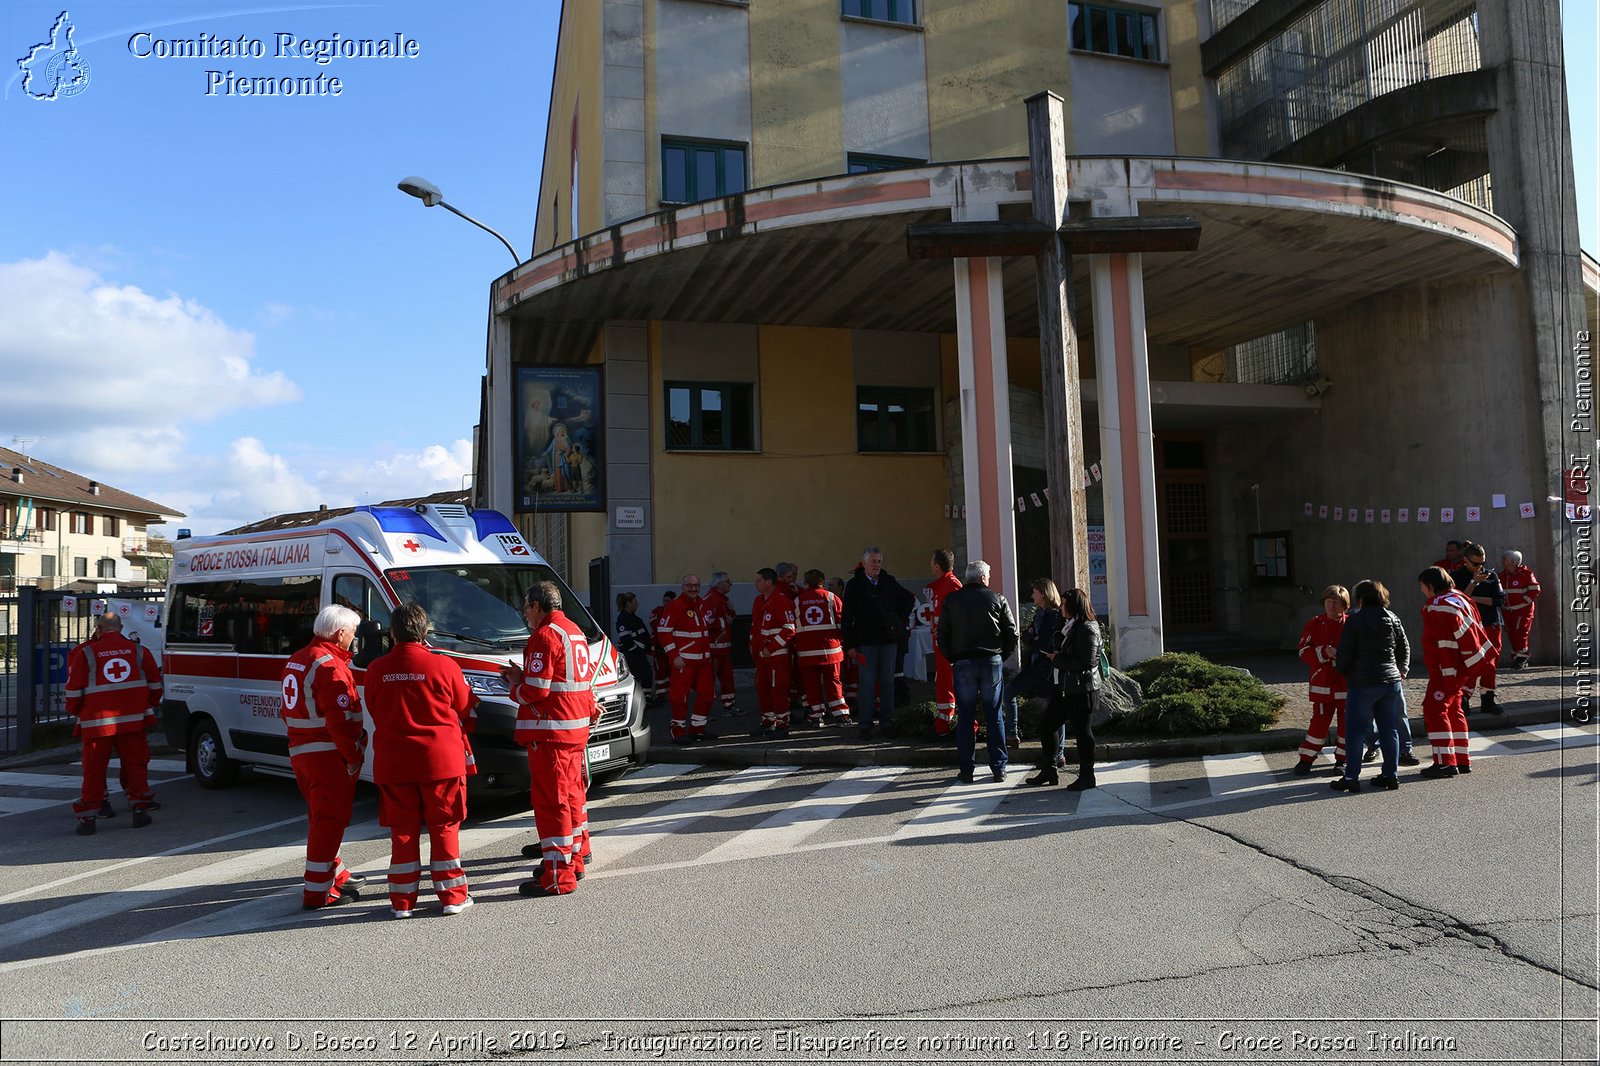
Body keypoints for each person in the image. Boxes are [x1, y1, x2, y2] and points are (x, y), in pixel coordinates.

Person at [364, 604, 476, 918]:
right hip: (439, 761)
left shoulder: (376, 669)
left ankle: (402, 902)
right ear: (425, 631)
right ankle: (452, 896)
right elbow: (465, 708)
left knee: (402, 832)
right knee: (444, 828)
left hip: (394, 762)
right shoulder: (444, 666)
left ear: (392, 633)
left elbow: (374, 709)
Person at [503, 581, 602, 896]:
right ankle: (576, 858)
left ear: (535, 605)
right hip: (573, 730)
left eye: (525, 609)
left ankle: (559, 875)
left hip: (550, 734)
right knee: (572, 799)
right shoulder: (573, 631)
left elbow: (536, 691)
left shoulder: (544, 637)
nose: (525, 616)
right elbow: (577, 682)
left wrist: (515, 686)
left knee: (552, 804)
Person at [277, 605, 366, 906]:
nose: (355, 639)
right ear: (341, 633)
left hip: (303, 752)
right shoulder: (329, 665)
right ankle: (318, 892)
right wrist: (353, 755)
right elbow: (339, 721)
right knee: (328, 821)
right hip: (327, 753)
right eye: (353, 632)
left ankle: (336, 873)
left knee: (322, 817)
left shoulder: (299, 658)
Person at [65, 612, 163, 836]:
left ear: (99, 629)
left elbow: (73, 690)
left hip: (97, 723)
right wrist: (147, 705)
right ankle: (139, 809)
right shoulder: (139, 650)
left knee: (93, 770)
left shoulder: (86, 652)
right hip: (132, 722)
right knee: (136, 766)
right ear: (120, 628)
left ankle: (89, 817)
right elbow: (155, 684)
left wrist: (76, 710)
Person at [937, 560, 1018, 783]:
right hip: (991, 660)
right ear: (983, 578)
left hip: (963, 662)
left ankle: (967, 769)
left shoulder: (952, 600)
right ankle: (999, 767)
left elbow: (942, 634)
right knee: (994, 715)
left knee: (965, 716)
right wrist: (1001, 656)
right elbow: (1012, 633)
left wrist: (952, 657)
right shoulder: (997, 598)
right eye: (989, 575)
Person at [1330, 580, 1410, 794]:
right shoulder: (1393, 618)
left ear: (1360, 599)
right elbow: (1404, 646)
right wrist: (1401, 669)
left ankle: (1351, 777)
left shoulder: (1354, 621)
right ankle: (1390, 775)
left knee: (1355, 731)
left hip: (1362, 682)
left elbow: (1345, 653)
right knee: (1389, 729)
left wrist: (1343, 670)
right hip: (1390, 682)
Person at [1418, 566, 1492, 778]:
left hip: (1446, 669)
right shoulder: (1460, 597)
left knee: (1435, 709)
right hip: (1463, 666)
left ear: (1430, 585)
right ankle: (1461, 759)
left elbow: (1442, 644)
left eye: (1422, 586)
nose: (1422, 590)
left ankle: (1444, 762)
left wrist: (1445, 672)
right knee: (1454, 708)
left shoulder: (1436, 606)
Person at [1026, 587, 1101, 790]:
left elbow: (1087, 662)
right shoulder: (1070, 625)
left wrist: (1057, 660)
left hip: (1082, 689)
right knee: (1047, 726)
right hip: (1065, 688)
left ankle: (1088, 775)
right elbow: (1058, 643)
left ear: (1074, 605)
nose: (1060, 606)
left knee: (1083, 733)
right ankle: (1049, 769)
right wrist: (1059, 629)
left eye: (1064, 603)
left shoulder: (1088, 628)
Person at [841, 547, 916, 740]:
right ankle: (865, 725)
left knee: (887, 683)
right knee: (866, 684)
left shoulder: (888, 582)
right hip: (865, 642)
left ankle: (886, 722)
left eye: (879, 562)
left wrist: (899, 619)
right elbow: (847, 616)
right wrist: (849, 644)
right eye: (873, 561)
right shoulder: (854, 585)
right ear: (864, 563)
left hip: (888, 641)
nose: (877, 565)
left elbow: (908, 599)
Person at [1002, 578, 1065, 754]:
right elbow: (1026, 635)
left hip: (1048, 668)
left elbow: (1045, 642)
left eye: (1035, 592)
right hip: (1034, 665)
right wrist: (1033, 637)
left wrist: (1035, 637)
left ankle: (1059, 753)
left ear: (1044, 594)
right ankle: (1012, 734)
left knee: (1054, 709)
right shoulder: (1039, 613)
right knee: (1009, 691)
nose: (1032, 596)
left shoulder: (1054, 615)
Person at [1292, 585, 1350, 774]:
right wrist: (1323, 652)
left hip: (1345, 683)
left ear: (1344, 606)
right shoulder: (1314, 624)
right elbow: (1303, 651)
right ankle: (1306, 759)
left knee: (1346, 724)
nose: (1331, 606)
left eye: (1335, 603)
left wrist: (1343, 655)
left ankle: (1342, 760)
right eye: (1328, 602)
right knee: (1319, 723)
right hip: (1323, 684)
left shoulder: (1351, 624)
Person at [658, 575, 715, 743]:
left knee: (707, 695)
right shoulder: (675, 605)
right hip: (684, 661)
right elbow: (663, 631)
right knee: (679, 697)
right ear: (683, 587)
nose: (694, 589)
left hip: (703, 661)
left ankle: (698, 729)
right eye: (690, 586)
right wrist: (674, 655)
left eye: (697, 585)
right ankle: (678, 730)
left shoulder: (702, 604)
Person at [1452, 542, 1505, 714]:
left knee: (1490, 663)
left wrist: (1475, 598)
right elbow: (1459, 600)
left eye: (1482, 563)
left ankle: (1487, 699)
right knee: (1471, 662)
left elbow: (1498, 600)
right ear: (1465, 561)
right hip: (1470, 626)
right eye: (1476, 563)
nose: (1480, 567)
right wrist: (1474, 583)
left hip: (1491, 624)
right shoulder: (1457, 576)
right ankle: (1464, 699)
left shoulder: (1491, 576)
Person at [793, 568, 850, 727]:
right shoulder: (832, 598)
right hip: (830, 650)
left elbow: (794, 626)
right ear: (822, 582)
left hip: (806, 652)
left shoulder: (798, 601)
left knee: (812, 684)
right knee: (833, 682)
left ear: (806, 583)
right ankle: (841, 715)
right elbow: (842, 623)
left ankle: (817, 715)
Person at [750, 568, 798, 736]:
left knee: (778, 689)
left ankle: (783, 725)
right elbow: (755, 626)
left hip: (776, 655)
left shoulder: (780, 600)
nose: (756, 583)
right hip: (761, 656)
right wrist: (753, 646)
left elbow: (789, 629)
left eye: (759, 580)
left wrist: (771, 648)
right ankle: (767, 721)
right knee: (763, 689)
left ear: (768, 582)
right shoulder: (758, 601)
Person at [926, 549, 963, 735]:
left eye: (932, 562)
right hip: (941, 645)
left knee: (951, 682)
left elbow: (959, 619)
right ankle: (943, 723)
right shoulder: (941, 585)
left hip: (949, 647)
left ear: (938, 566)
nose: (930, 565)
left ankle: (951, 723)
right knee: (943, 681)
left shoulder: (952, 585)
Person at [702, 571, 738, 715]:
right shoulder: (711, 599)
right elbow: (706, 622)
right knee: (709, 681)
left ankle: (729, 705)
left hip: (722, 649)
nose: (731, 584)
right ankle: (703, 711)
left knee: (727, 678)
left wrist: (731, 611)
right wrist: (725, 621)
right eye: (728, 581)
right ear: (719, 584)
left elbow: (729, 617)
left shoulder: (722, 599)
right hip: (713, 650)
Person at [613, 593, 657, 707]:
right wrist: (639, 649)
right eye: (635, 602)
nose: (637, 605)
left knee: (647, 674)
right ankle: (636, 702)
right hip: (632, 655)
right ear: (628, 603)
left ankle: (645, 699)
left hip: (639, 654)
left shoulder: (636, 619)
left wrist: (648, 647)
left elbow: (645, 636)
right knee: (637, 677)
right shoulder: (623, 620)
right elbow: (626, 640)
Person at [1499, 549, 1542, 669]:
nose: (1502, 561)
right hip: (1507, 610)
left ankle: (1522, 657)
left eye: (1505, 559)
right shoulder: (1502, 576)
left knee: (1520, 632)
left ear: (1513, 562)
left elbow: (1535, 590)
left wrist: (1525, 601)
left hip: (1522, 610)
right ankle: (1517, 656)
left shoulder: (1526, 574)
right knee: (1511, 633)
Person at [647, 591, 674, 703]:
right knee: (660, 672)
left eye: (668, 601)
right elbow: (655, 625)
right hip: (659, 648)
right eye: (665, 600)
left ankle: (671, 693)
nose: (666, 603)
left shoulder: (676, 611)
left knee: (672, 672)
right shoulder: (657, 611)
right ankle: (660, 695)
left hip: (672, 648)